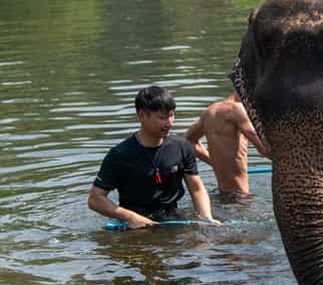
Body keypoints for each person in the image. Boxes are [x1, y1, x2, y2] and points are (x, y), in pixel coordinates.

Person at [88, 86, 220, 228]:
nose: (169, 123)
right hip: (134, 224)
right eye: (162, 118)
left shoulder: (181, 147)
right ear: (141, 116)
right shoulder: (120, 155)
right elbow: (95, 199)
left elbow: (197, 189)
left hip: (173, 218)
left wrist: (207, 218)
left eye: (171, 115)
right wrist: (131, 217)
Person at [184, 92, 271, 194]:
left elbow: (187, 141)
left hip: (222, 193)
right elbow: (264, 149)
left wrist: (216, 163)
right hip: (241, 197)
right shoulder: (237, 110)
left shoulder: (210, 111)